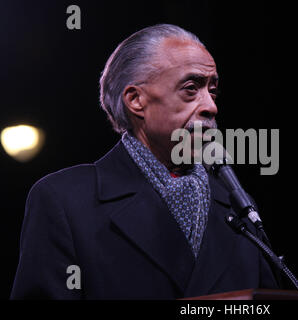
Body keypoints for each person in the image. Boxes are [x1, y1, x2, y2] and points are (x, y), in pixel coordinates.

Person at [10, 24, 278, 299]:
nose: (211, 105)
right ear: (136, 100)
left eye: (212, 90)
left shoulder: (236, 205)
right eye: (191, 88)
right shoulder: (65, 200)